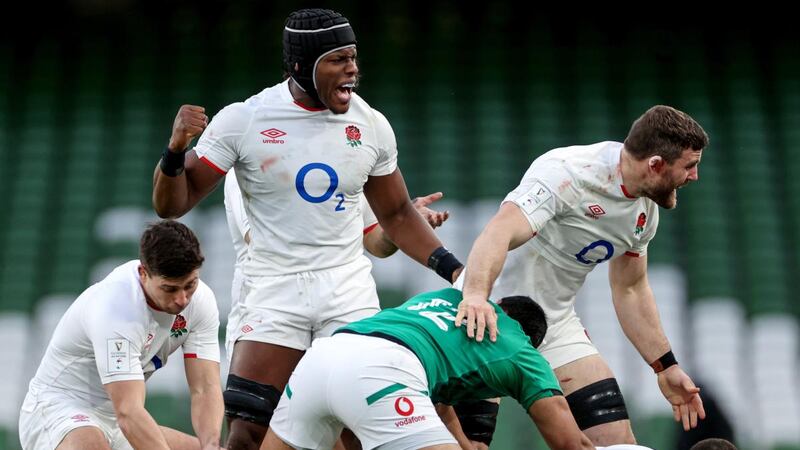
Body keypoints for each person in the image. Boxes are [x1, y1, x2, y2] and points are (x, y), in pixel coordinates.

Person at [152, 8, 463, 449]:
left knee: (361, 427)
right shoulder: (246, 120)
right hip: (274, 289)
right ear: (302, 65)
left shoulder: (370, 125)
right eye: (338, 58)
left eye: (353, 57)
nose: (352, 68)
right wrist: (175, 150)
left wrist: (456, 271)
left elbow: (394, 216)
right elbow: (172, 204)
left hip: (346, 290)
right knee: (248, 432)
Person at [455, 105, 709, 445]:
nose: (694, 176)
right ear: (656, 165)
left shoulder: (644, 210)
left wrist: (665, 367)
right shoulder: (568, 174)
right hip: (487, 318)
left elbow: (630, 288)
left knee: (618, 444)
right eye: (690, 166)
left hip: (556, 325)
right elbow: (498, 231)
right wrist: (473, 296)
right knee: (468, 445)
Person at [262, 288, 594, 450]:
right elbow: (569, 444)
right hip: (384, 371)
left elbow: (434, 395)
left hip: (322, 357)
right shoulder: (523, 352)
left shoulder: (448, 297)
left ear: (500, 305)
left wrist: (463, 443)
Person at [19, 220, 223, 450]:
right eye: (170, 289)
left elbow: (205, 388)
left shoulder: (201, 301)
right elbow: (129, 414)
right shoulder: (117, 310)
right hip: (61, 408)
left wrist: (211, 445)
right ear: (143, 273)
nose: (182, 300)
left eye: (190, 285)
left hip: (116, 420)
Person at [222, 168, 450, 362]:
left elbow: (375, 242)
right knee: (266, 411)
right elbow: (263, 240)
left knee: (356, 404)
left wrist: (401, 225)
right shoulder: (250, 159)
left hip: (345, 303)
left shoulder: (349, 152)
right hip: (273, 309)